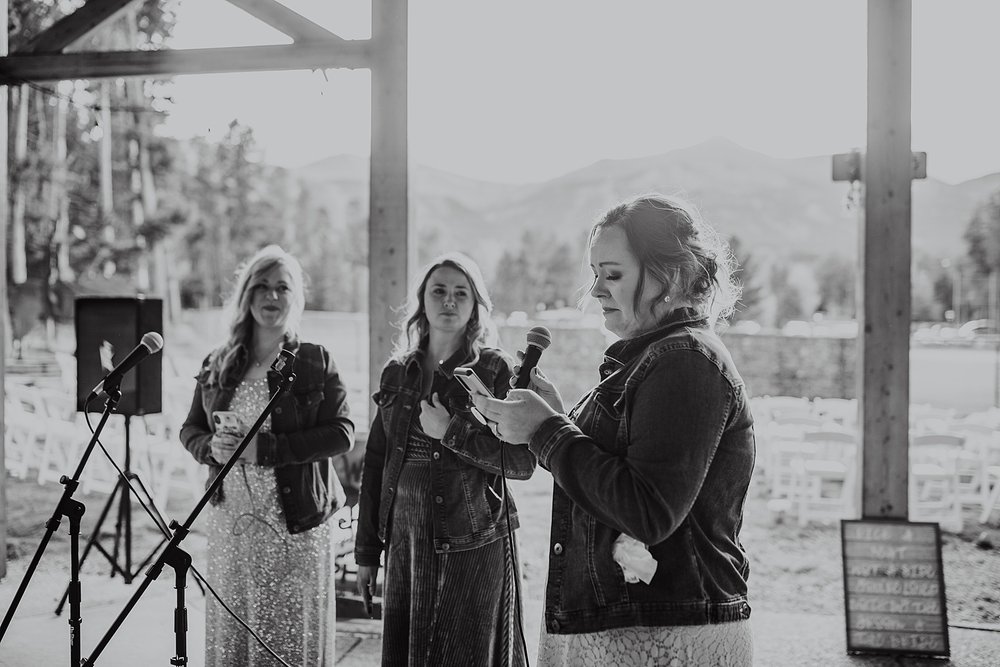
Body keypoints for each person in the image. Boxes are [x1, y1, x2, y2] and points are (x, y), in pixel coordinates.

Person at [474, 194, 755, 666]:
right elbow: (618, 467)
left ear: (675, 274)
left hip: (665, 634)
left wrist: (546, 430)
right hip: (634, 623)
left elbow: (648, 510)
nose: (597, 290)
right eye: (595, 273)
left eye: (614, 274)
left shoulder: (685, 361)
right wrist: (558, 420)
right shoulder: (658, 353)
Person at [355, 252, 536, 666]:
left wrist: (451, 432)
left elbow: (522, 463)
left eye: (461, 293)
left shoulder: (494, 370)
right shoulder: (397, 372)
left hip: (473, 540)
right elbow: (376, 464)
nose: (449, 301)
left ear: (475, 306)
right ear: (423, 301)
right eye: (439, 291)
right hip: (406, 540)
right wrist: (366, 552)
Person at [179, 245, 355, 666]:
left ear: (295, 297)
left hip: (295, 524)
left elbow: (342, 434)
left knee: (289, 636)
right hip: (230, 523)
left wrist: (268, 450)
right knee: (236, 628)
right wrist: (211, 449)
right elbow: (190, 429)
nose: (271, 296)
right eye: (261, 286)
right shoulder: (218, 361)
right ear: (246, 295)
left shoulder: (313, 359)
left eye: (282, 287)